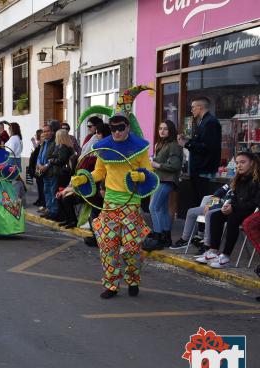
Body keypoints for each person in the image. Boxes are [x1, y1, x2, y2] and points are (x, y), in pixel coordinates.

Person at [71, 114, 158, 298]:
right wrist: (84, 178)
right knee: (108, 246)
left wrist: (141, 176)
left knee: (132, 248)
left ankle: (133, 279)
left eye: (121, 128)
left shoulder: (139, 148)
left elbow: (150, 172)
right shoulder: (104, 147)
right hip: (110, 203)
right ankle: (111, 285)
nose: (117, 132)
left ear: (128, 127)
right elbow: (99, 172)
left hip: (131, 203)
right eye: (113, 129)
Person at [195, 152, 260, 268]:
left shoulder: (257, 180)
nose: (239, 165)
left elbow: (255, 203)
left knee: (233, 218)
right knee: (216, 215)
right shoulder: (239, 179)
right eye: (237, 163)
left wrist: (233, 208)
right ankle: (213, 250)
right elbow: (234, 197)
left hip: (252, 211)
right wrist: (228, 205)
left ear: (252, 163)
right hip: (238, 209)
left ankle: (226, 256)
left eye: (243, 162)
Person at [143, 120, 183, 251]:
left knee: (153, 207)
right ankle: (166, 237)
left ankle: (158, 236)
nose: (162, 131)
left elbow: (175, 165)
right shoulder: (161, 144)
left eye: (165, 129)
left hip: (167, 180)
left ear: (170, 130)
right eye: (160, 128)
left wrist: (157, 165)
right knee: (163, 209)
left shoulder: (173, 145)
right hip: (160, 179)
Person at [184, 96, 222, 206]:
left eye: (193, 107)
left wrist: (186, 144)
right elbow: (202, 142)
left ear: (200, 107)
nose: (191, 110)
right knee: (198, 203)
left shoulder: (210, 122)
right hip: (199, 171)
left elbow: (206, 147)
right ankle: (201, 223)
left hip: (204, 171)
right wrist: (188, 141)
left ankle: (204, 224)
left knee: (204, 204)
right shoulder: (204, 121)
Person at [36, 121, 60, 219]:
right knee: (46, 191)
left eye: (48, 131)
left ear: (52, 131)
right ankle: (49, 210)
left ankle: (54, 212)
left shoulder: (55, 142)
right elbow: (39, 155)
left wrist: (46, 165)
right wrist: (38, 164)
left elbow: (55, 156)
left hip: (51, 171)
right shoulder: (44, 143)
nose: (45, 133)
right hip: (43, 171)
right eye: (44, 131)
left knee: (52, 191)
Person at [28, 129, 45, 208]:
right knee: (39, 184)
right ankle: (40, 199)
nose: (42, 138)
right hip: (37, 167)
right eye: (41, 136)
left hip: (41, 168)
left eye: (43, 136)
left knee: (41, 185)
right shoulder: (40, 145)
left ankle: (42, 201)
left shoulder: (42, 146)